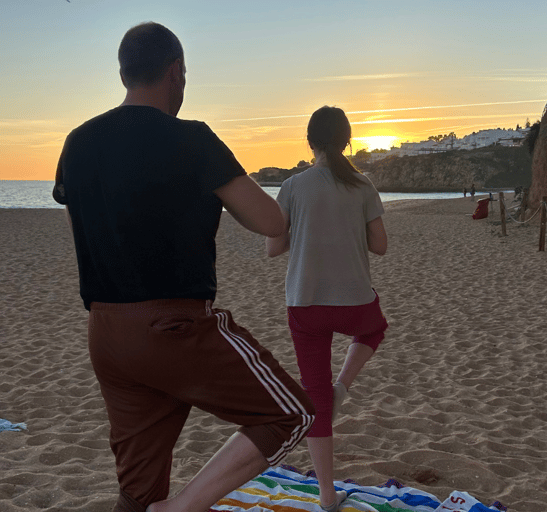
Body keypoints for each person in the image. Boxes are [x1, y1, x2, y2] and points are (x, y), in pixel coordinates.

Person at [53, 22, 315, 512]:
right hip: (174, 327)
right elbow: (269, 220)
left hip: (106, 332)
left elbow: (81, 228)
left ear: (124, 73)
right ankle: (183, 508)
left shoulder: (78, 142)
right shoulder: (193, 139)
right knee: (292, 413)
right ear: (176, 72)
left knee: (137, 490)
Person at [266, 106, 389, 512]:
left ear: (310, 141)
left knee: (313, 395)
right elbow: (380, 245)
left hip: (306, 301)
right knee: (373, 329)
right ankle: (343, 387)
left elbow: (273, 247)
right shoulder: (364, 185)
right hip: (354, 299)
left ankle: (325, 495)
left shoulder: (293, 186)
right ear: (347, 140)